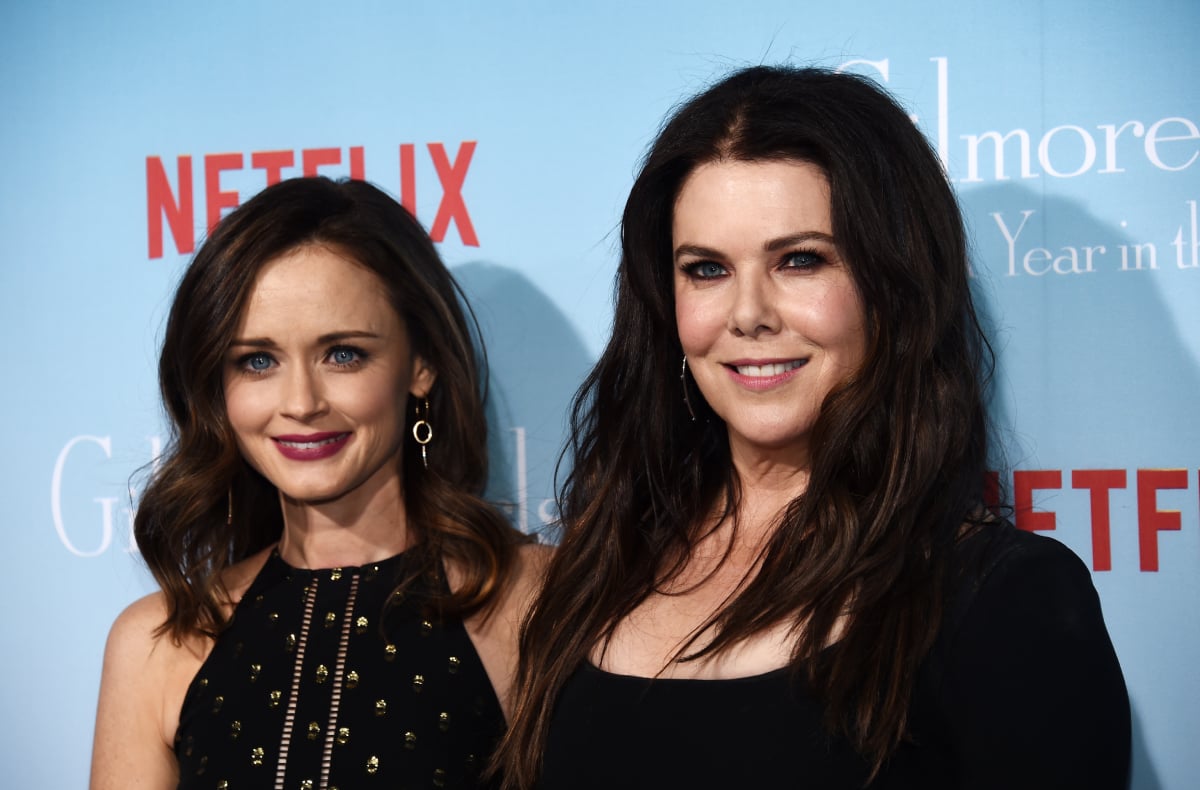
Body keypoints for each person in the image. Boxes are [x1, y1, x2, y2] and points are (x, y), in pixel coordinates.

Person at [499, 66, 1130, 789]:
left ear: (894, 292)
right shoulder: (601, 560)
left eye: (800, 260)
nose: (748, 313)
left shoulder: (1004, 600)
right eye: (705, 270)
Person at [91, 177, 546, 790]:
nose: (301, 403)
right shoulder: (158, 642)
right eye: (258, 361)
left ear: (421, 364)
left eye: (343, 354)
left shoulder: (537, 601)